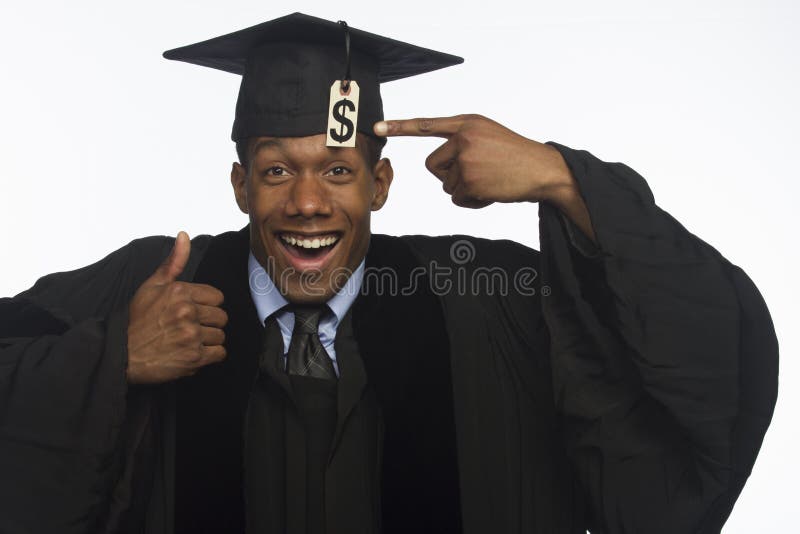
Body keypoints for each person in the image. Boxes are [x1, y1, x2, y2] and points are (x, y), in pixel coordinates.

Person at [0, 12, 778, 534]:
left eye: (338, 172)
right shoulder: (158, 285)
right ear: (239, 185)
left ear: (381, 185)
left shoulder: (485, 297)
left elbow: (711, 351)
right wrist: (112, 357)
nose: (308, 203)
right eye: (276, 172)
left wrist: (561, 179)